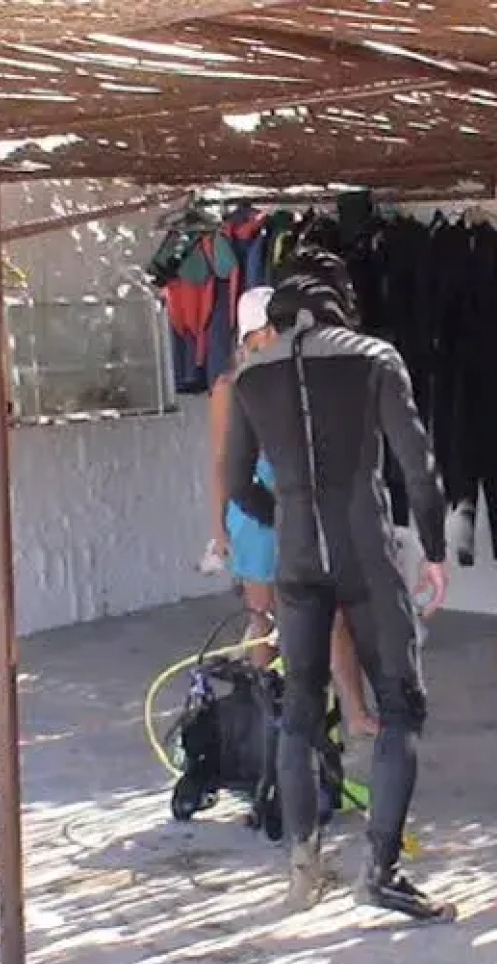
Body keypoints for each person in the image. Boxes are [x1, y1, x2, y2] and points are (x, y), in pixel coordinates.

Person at [224, 251, 453, 921]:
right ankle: (378, 873)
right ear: (338, 302)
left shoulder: (252, 374)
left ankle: (304, 867)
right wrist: (433, 553)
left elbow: (238, 484)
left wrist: (288, 515)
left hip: (295, 550)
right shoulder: (374, 357)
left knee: (298, 704)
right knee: (399, 706)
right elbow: (418, 467)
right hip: (362, 548)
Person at [209, 286, 379, 734]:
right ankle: (270, 715)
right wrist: (219, 528)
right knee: (265, 619)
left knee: (332, 614)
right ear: (257, 334)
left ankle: (356, 711)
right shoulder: (232, 387)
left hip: (304, 508)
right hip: (256, 513)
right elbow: (225, 465)